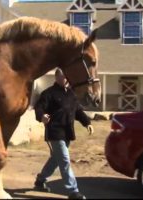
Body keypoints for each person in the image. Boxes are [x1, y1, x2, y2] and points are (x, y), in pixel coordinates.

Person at [33, 68, 94, 199]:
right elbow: (39, 107)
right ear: (56, 78)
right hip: (54, 131)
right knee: (65, 160)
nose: (65, 79)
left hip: (67, 132)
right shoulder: (49, 93)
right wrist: (42, 116)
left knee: (55, 159)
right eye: (62, 77)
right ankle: (73, 191)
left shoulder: (71, 94)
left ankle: (40, 180)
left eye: (66, 77)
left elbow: (78, 110)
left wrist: (87, 122)